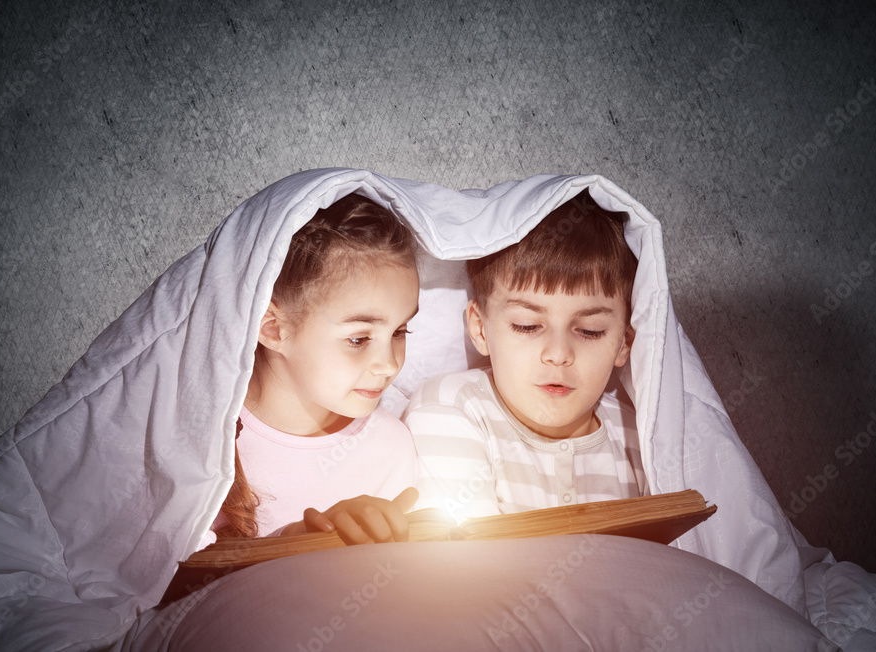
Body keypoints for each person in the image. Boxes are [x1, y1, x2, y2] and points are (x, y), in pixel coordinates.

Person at [404, 191, 647, 522]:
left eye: (589, 330)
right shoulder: (450, 408)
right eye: (527, 325)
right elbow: (466, 565)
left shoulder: (642, 433)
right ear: (479, 328)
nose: (558, 355)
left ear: (624, 342)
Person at [205, 193, 420, 548]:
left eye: (400, 332)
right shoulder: (197, 438)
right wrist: (292, 544)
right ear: (273, 327)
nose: (390, 364)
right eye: (359, 338)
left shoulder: (391, 447)